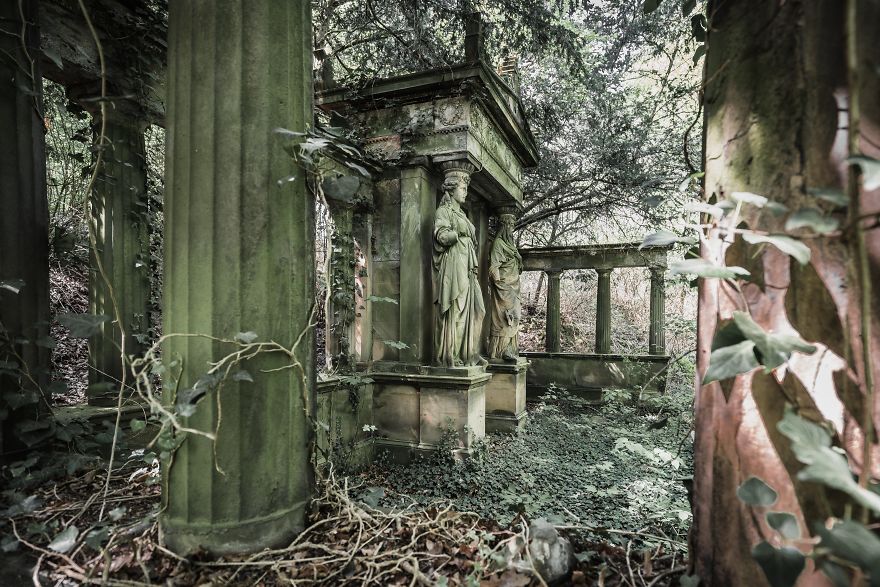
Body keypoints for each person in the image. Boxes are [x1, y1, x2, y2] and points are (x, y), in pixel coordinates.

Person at [433, 171, 486, 367]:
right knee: (456, 310)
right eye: (463, 189)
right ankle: (451, 355)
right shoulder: (443, 212)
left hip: (467, 266)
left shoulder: (462, 213)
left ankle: (470, 352)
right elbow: (441, 236)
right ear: (451, 190)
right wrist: (459, 232)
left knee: (477, 309)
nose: (465, 192)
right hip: (455, 264)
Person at [487, 213, 522, 361]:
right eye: (511, 225)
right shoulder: (499, 244)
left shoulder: (510, 246)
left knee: (514, 316)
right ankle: (501, 352)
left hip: (514, 286)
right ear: (504, 226)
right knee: (504, 317)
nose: (512, 228)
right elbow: (494, 267)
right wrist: (499, 284)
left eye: (514, 225)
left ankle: (510, 349)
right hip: (504, 288)